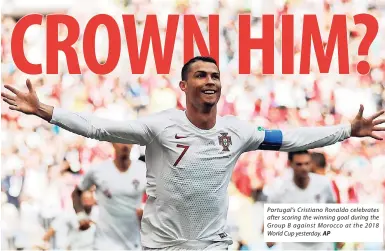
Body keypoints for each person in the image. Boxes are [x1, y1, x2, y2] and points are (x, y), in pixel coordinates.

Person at [2, 56, 385, 250]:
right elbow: (99, 127)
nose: (210, 81)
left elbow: (292, 137)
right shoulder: (159, 126)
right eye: (201, 75)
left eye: (215, 76)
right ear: (183, 85)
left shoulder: (236, 131)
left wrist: (347, 130)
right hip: (162, 246)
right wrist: (44, 110)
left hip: (212, 245)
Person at [72, 143, 146, 250]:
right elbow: (76, 193)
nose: (125, 145)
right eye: (120, 141)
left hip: (133, 242)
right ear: (113, 143)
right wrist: (81, 216)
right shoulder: (98, 170)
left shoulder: (143, 169)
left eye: (128, 140)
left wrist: (147, 213)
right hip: (104, 243)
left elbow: (159, 198)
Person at [266, 150, 339, 250]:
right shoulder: (279, 189)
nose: (304, 168)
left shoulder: (324, 184)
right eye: (299, 164)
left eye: (307, 163)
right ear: (290, 164)